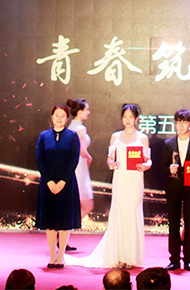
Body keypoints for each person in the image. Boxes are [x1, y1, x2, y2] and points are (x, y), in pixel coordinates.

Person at [77, 103, 151, 268]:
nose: (127, 120)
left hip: (135, 180)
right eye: (125, 117)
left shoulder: (142, 138)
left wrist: (146, 166)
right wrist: (111, 163)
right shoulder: (115, 137)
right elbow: (110, 158)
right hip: (120, 180)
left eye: (130, 117)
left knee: (132, 214)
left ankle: (130, 257)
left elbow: (148, 160)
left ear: (136, 119)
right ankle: (119, 256)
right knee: (120, 214)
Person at [36, 104, 81, 269]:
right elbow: (40, 159)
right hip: (48, 184)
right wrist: (48, 181)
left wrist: (62, 181)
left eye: (63, 116)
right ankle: (52, 255)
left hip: (66, 183)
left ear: (67, 119)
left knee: (64, 222)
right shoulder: (43, 136)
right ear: (52, 117)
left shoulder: (73, 136)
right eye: (57, 115)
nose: (59, 118)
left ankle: (61, 254)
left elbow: (74, 160)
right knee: (49, 222)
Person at [161, 109, 190, 271]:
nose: (181, 126)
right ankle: (174, 259)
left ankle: (188, 259)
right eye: (178, 122)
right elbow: (162, 167)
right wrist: (169, 170)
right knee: (173, 223)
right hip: (173, 187)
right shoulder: (168, 144)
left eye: (184, 122)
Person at [66, 98, 94, 251]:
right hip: (79, 169)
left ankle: (64, 235)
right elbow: (81, 150)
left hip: (76, 167)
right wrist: (89, 157)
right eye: (86, 109)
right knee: (87, 205)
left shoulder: (71, 126)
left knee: (77, 205)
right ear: (80, 111)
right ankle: (64, 232)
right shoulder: (80, 128)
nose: (88, 112)